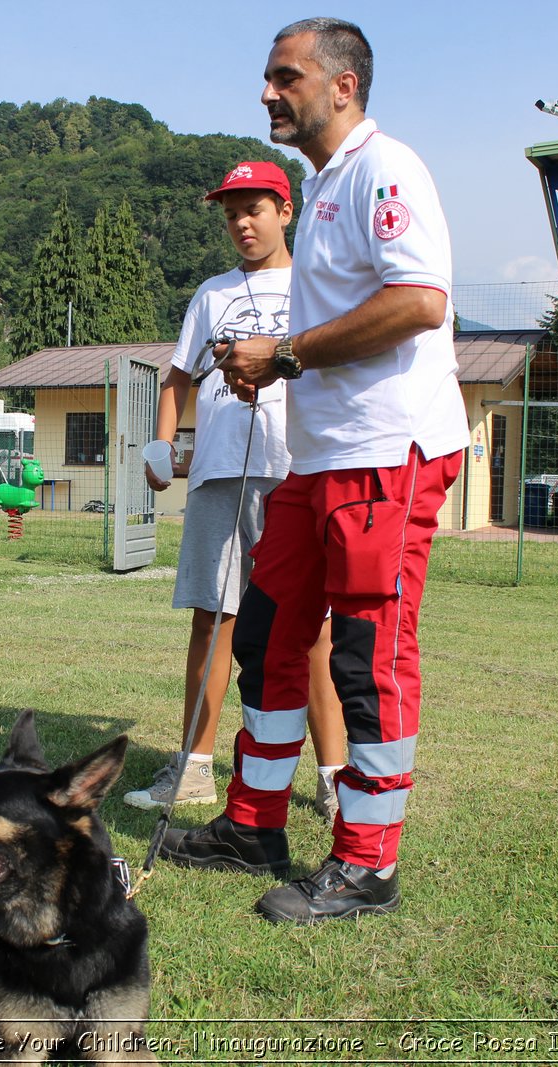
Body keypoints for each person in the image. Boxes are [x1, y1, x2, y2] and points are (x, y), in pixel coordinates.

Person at [160, 17, 469, 925]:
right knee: (265, 629)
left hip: (388, 453)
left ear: (342, 86)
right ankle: (254, 823)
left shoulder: (387, 167)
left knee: (372, 657)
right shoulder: (324, 181)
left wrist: (285, 354)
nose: (266, 92)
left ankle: (368, 862)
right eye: (266, 77)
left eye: (283, 77)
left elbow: (419, 301)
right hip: (320, 457)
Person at [123, 161, 346, 820]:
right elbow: (177, 378)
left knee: (312, 630)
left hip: (296, 471)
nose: (242, 223)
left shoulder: (317, 286)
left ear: (286, 211)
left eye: (255, 208)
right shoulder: (212, 294)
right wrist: (163, 441)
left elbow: (338, 362)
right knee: (213, 618)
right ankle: (194, 767)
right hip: (221, 472)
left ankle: (334, 776)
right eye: (231, 213)